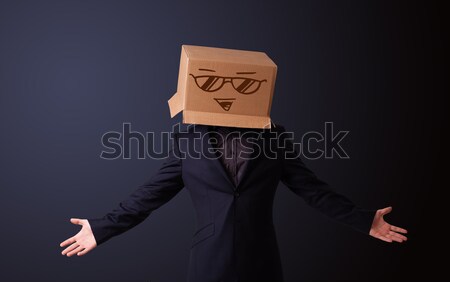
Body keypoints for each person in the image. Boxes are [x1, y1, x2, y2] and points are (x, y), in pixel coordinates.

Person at [60, 124, 408, 281]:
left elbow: (312, 189)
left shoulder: (273, 137)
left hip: (262, 260)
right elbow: (150, 194)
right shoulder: (188, 141)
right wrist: (102, 227)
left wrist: (365, 220)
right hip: (209, 262)